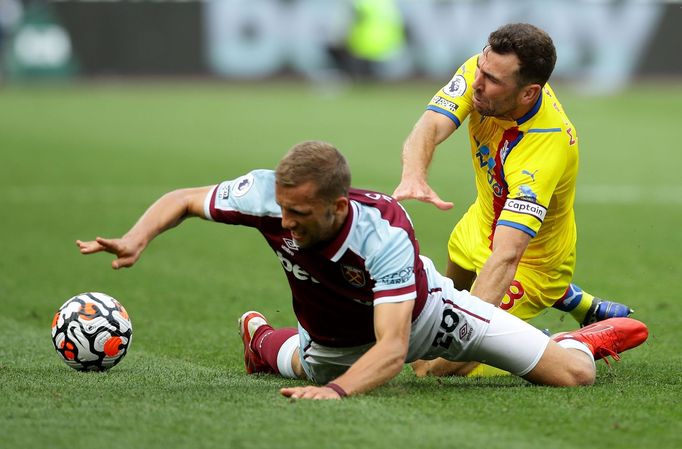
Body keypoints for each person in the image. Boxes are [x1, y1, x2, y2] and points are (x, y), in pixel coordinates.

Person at [77, 141, 648, 399]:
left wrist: (342, 394)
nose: (285, 221)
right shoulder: (266, 195)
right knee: (308, 360)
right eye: (282, 208)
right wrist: (137, 235)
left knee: (573, 379)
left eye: (299, 214)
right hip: (331, 339)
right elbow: (184, 197)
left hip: (427, 316)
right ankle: (262, 341)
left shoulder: (384, 232)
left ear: (338, 206)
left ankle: (576, 341)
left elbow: (395, 348)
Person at [392, 23, 634, 377]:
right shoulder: (482, 72)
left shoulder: (543, 146)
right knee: (426, 331)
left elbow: (507, 254)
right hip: (477, 226)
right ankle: (575, 302)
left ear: (528, 93)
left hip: (529, 264)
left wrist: (469, 332)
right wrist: (415, 174)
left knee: (436, 367)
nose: (477, 82)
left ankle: (565, 342)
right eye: (482, 69)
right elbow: (429, 125)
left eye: (492, 80)